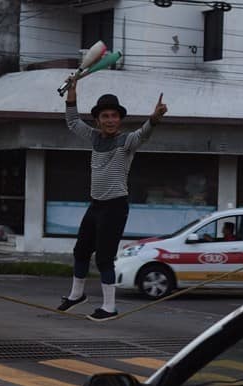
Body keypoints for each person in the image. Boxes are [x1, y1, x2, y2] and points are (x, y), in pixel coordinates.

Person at [57, 79, 168, 321]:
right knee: (80, 251)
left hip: (115, 207)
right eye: (105, 116)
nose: (109, 120)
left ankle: (109, 307)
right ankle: (76, 295)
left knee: (104, 258)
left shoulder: (127, 141)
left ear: (120, 119)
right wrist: (72, 93)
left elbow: (144, 133)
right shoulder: (94, 137)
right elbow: (73, 121)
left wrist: (155, 118)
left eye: (114, 116)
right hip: (96, 205)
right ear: (98, 120)